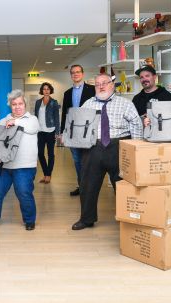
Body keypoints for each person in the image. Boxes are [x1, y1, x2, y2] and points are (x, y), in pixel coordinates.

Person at [72, 73, 143, 231]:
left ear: (112, 84)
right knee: (87, 185)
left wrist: (136, 148)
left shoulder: (125, 104)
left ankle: (128, 219)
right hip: (92, 148)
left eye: (104, 83)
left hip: (118, 146)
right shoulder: (87, 104)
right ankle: (86, 219)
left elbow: (136, 125)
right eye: (97, 84)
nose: (101, 86)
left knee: (124, 185)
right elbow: (78, 126)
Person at [0, 89, 40, 231]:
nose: (17, 107)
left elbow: (31, 129)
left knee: (24, 193)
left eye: (20, 103)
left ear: (25, 104)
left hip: (24, 166)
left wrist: (15, 121)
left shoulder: (32, 120)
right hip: (2, 166)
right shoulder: (3, 120)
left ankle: (29, 220)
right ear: (10, 106)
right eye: (14, 104)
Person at [61, 65, 96, 196]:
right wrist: (62, 132)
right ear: (71, 75)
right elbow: (65, 113)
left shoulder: (92, 90)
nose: (75, 74)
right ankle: (81, 186)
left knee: (88, 160)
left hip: (88, 130)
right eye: (73, 73)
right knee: (77, 160)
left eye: (78, 72)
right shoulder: (67, 93)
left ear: (82, 73)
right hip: (72, 132)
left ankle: (89, 187)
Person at [34, 82, 60, 184]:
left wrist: (57, 132)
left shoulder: (54, 102)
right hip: (40, 131)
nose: (46, 91)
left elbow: (57, 118)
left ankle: (48, 175)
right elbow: (36, 116)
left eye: (48, 89)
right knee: (40, 153)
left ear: (50, 90)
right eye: (44, 89)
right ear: (42, 90)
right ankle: (45, 173)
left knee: (50, 154)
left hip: (50, 131)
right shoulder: (37, 102)